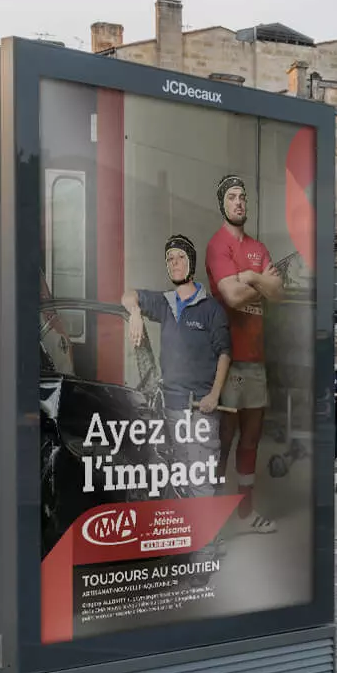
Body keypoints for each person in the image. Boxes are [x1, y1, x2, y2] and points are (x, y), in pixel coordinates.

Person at [122, 235, 231, 482]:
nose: (175, 263)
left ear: (191, 262)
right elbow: (127, 296)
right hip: (171, 408)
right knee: (179, 478)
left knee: (201, 480)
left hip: (200, 411)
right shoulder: (165, 303)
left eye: (181, 257)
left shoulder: (211, 309)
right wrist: (136, 312)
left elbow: (225, 353)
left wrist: (214, 395)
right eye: (170, 259)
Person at [208, 175, 282, 531]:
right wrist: (258, 281)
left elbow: (278, 291)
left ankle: (245, 512)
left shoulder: (257, 247)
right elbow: (232, 297)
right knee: (222, 441)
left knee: (250, 440)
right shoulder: (217, 245)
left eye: (243, 197)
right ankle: (214, 518)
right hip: (228, 359)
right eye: (233, 197)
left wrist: (248, 276)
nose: (239, 203)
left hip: (256, 360)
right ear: (222, 203)